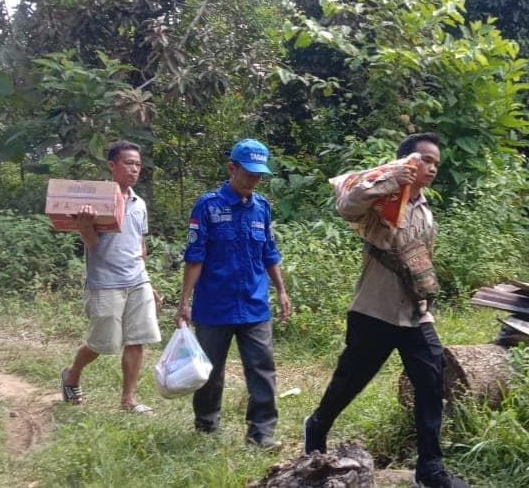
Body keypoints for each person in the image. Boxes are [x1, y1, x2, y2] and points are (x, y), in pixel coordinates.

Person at [303, 133, 469, 488]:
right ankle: (317, 426)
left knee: (430, 383)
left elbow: (422, 262)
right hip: (374, 311)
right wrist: (391, 178)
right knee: (350, 381)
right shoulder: (383, 197)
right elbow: (346, 207)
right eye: (425, 159)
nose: (431, 167)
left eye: (436, 163)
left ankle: (430, 468)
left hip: (415, 315)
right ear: (405, 161)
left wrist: (425, 303)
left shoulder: (425, 210)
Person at [175, 138, 292, 450]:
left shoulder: (261, 208)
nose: (253, 179)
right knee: (210, 371)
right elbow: (195, 256)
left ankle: (261, 434)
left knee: (262, 369)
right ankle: (206, 424)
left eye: (258, 174)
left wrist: (281, 290)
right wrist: (184, 302)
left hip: (254, 304)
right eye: (248, 172)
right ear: (232, 167)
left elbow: (269, 251)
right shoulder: (208, 207)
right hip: (215, 305)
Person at [61, 140, 162, 413]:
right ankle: (71, 374)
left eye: (138, 165)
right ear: (112, 166)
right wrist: (84, 225)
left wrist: (148, 282)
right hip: (105, 282)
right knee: (101, 343)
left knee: (136, 340)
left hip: (137, 281)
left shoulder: (139, 204)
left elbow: (140, 248)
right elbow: (91, 243)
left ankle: (128, 401)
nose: (134, 169)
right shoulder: (95, 201)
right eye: (129, 163)